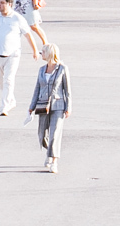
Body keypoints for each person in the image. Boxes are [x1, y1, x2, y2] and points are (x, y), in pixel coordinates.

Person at [29, 44, 71, 174]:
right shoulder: (42, 69)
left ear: (49, 53)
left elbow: (67, 90)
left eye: (43, 52)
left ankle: (54, 161)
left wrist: (68, 107)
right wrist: (31, 106)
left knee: (55, 133)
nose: (41, 53)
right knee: (42, 134)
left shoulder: (62, 69)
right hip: (42, 105)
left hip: (58, 105)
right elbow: (37, 88)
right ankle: (49, 152)